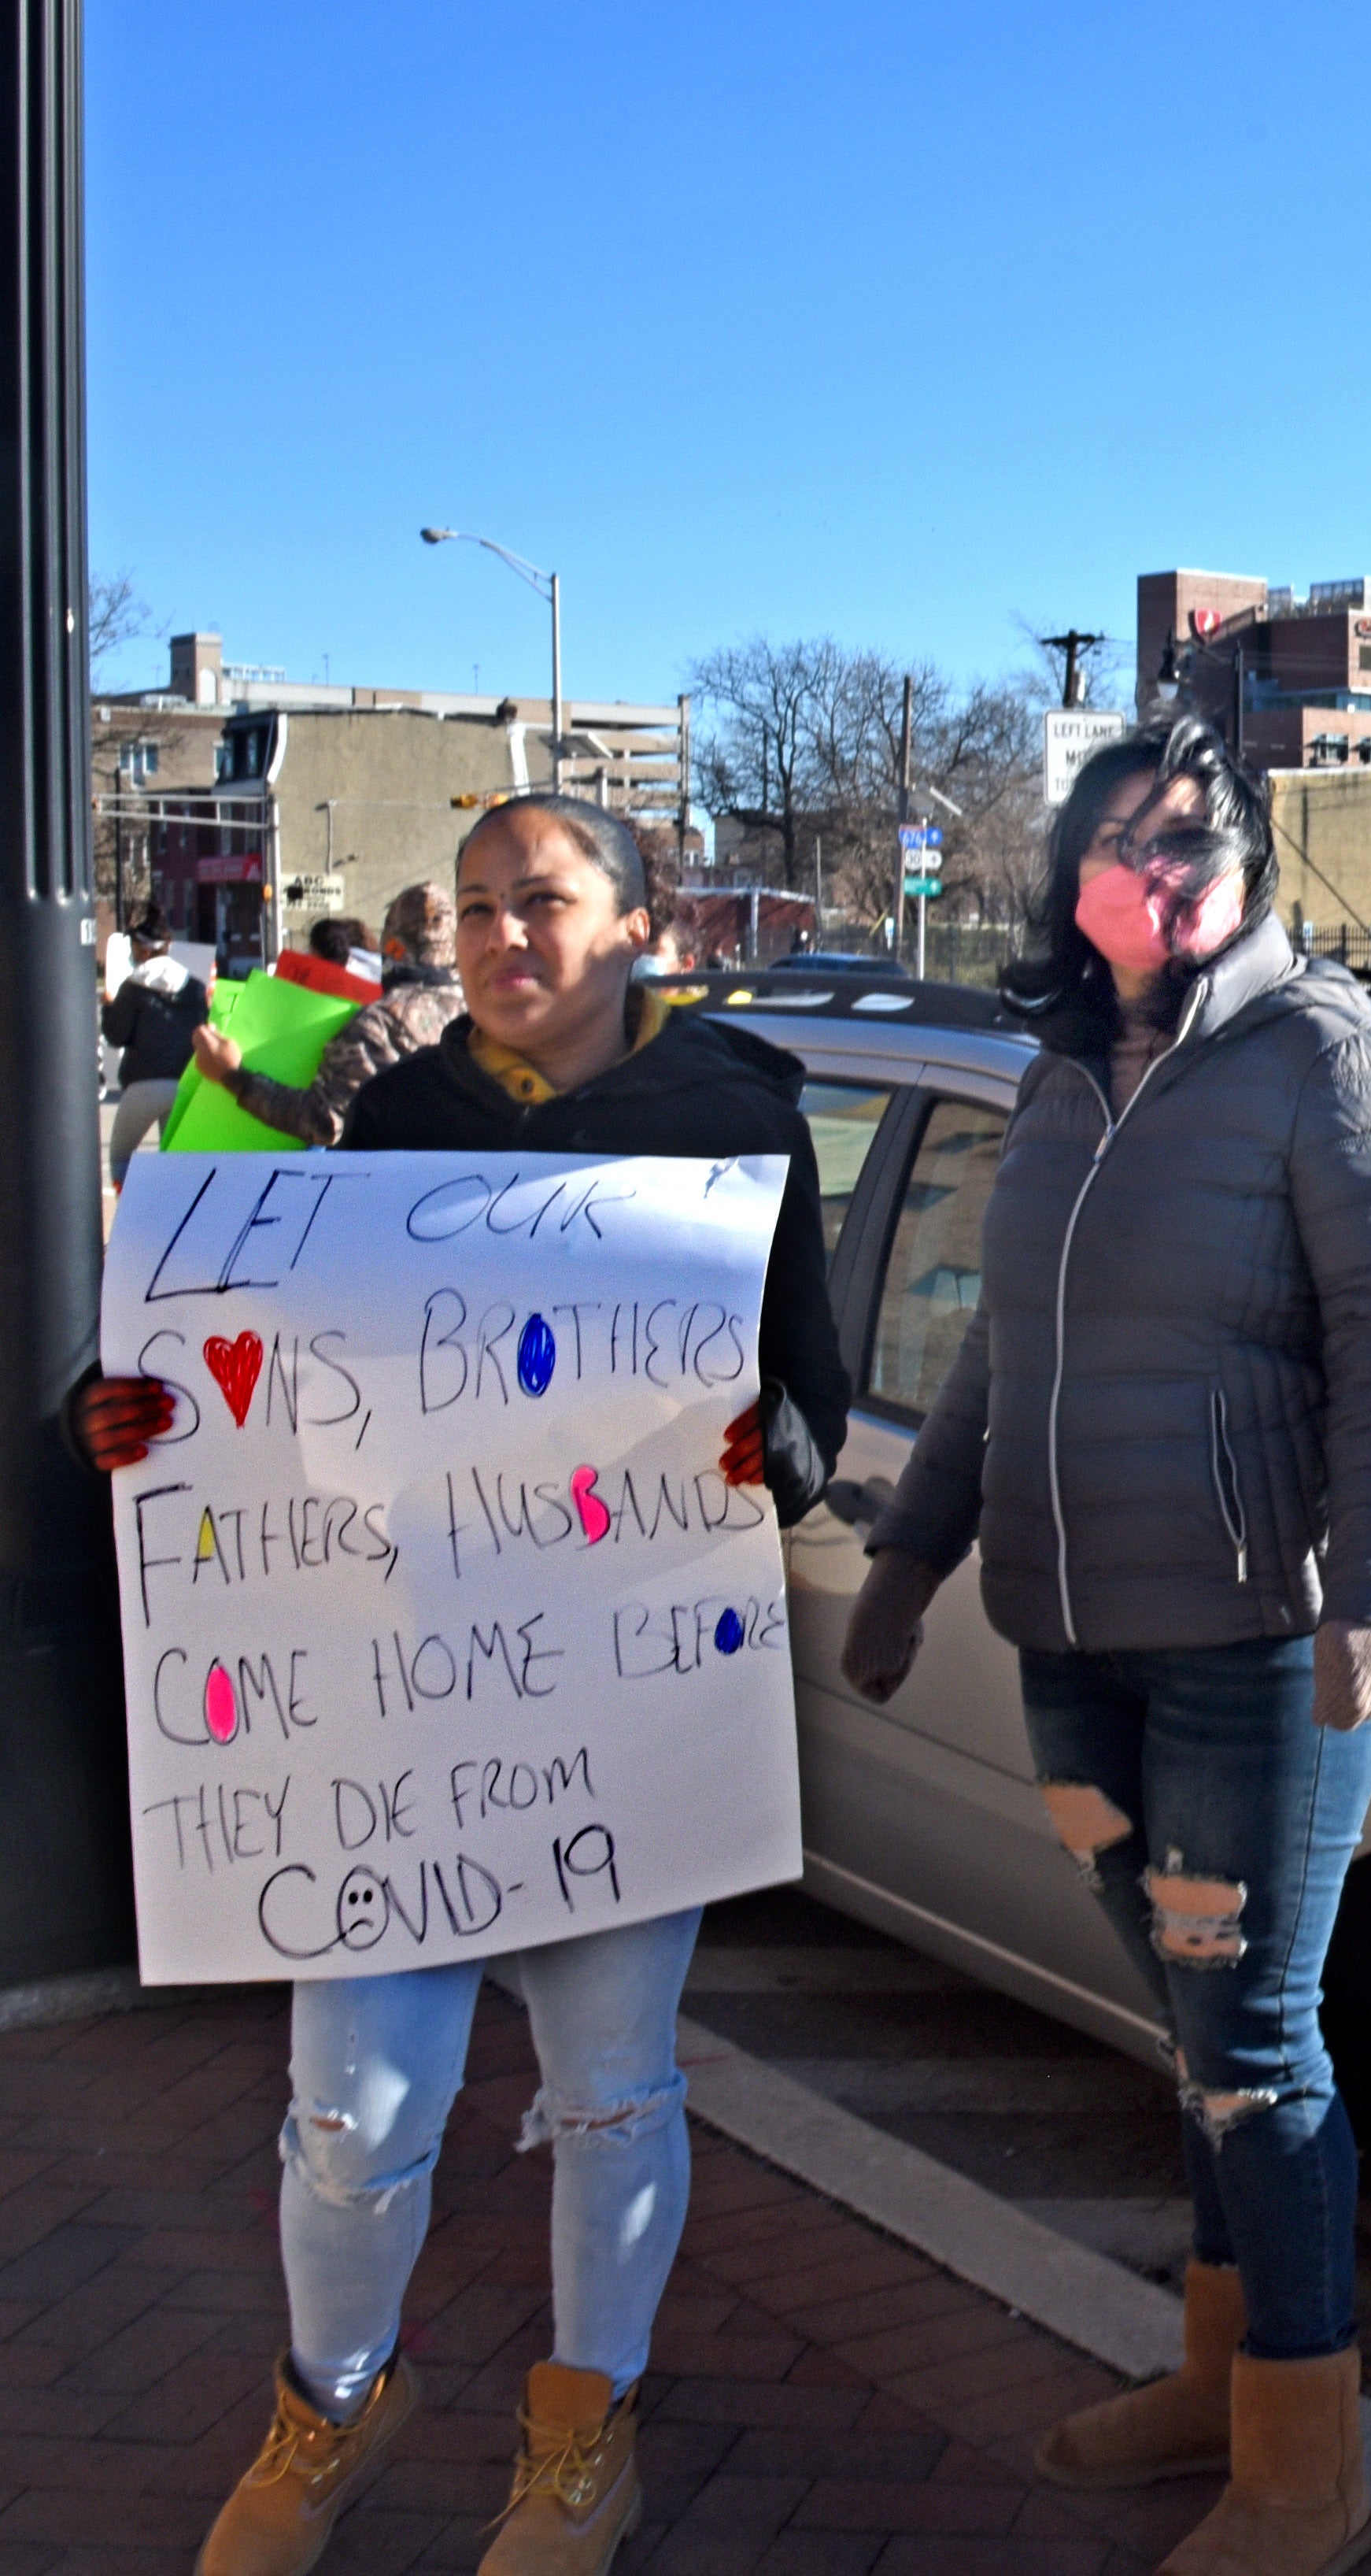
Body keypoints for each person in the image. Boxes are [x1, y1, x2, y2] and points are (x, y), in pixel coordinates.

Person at [78, 791, 852, 2576]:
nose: (509, 935)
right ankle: (334, 2396)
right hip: (396, 1695)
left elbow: (802, 1394)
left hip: (621, 1698)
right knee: (354, 2106)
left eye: (550, 900)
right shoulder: (397, 1115)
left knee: (610, 2089)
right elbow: (246, 1357)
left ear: (636, 920)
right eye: (481, 905)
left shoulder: (734, 1119)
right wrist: (111, 1409)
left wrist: (769, 1448)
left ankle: (588, 2428)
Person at [835, 713, 1371, 2576]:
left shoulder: (1316, 1063)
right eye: (1121, 843)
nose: (1158, 870)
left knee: (1255, 2039)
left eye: (1192, 840)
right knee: (1188, 2017)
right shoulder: (1052, 1076)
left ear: (1247, 867)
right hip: (1071, 1657)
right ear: (1073, 887)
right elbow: (987, 1355)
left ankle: (1304, 2451)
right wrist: (907, 1562)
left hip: (1251, 1654)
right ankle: (1221, 2369)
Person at [192, 912, 469, 1146]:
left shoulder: (383, 1022)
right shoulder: (479, 1012)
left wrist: (231, 1075)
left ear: (391, 946)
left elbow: (325, 1122)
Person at [98, 942, 205, 1178]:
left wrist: (108, 1007)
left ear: (142, 951)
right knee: (174, 1161)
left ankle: (128, 1206)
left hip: (143, 1084)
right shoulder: (195, 987)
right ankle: (171, 1209)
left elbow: (116, 1035)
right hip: (184, 1084)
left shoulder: (133, 986)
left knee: (121, 1158)